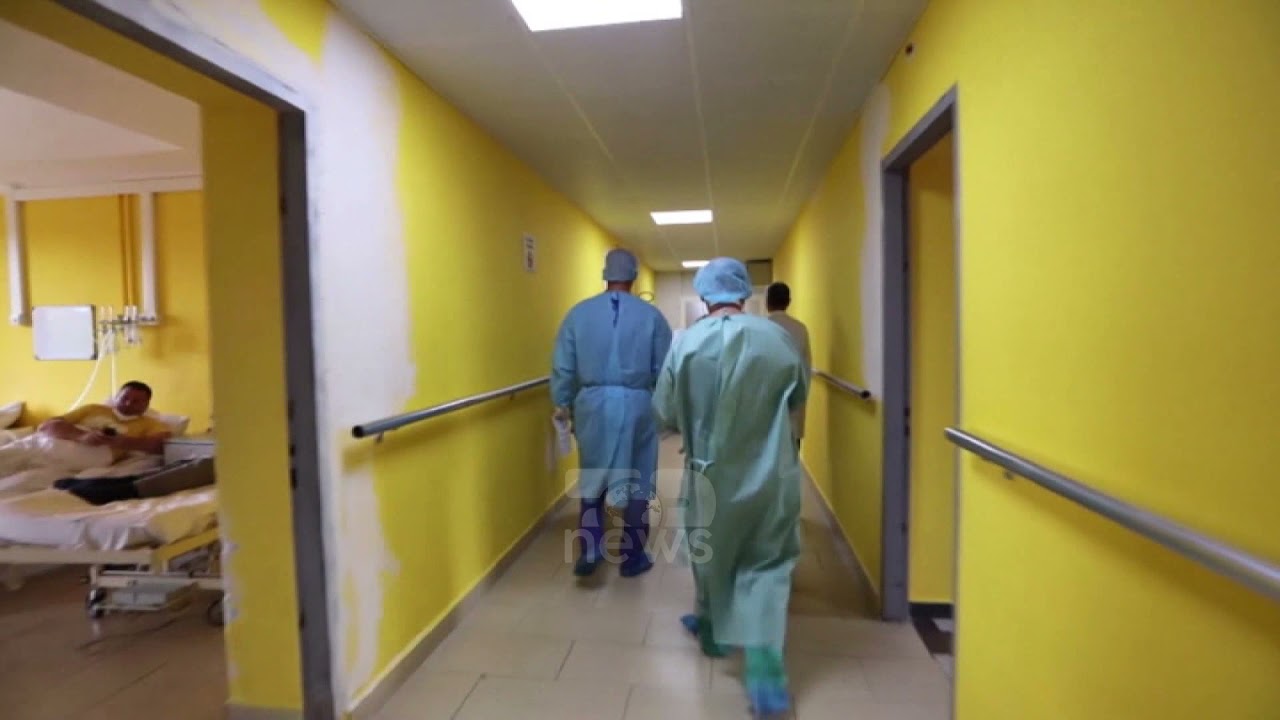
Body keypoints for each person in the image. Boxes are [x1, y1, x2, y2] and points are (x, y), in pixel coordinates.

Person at [654, 258, 808, 717]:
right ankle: (766, 681)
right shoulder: (777, 339)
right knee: (766, 563)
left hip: (709, 472)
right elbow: (798, 396)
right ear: (744, 293)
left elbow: (665, 411)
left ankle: (713, 634)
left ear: (705, 296)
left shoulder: (686, 344)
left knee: (710, 554)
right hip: (769, 471)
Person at [552, 249, 673, 578]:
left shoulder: (578, 315)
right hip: (638, 403)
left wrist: (562, 403)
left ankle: (591, 546)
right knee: (638, 479)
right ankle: (632, 556)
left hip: (591, 404)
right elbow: (665, 370)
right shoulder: (652, 317)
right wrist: (666, 412)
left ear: (605, 274)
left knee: (593, 473)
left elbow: (563, 367)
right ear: (633, 276)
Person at [0, 381, 171, 476]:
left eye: (136, 401)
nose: (128, 403)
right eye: (125, 397)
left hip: (90, 454)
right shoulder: (93, 409)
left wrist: (122, 442)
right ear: (117, 396)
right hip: (47, 442)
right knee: (7, 455)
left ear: (146, 404)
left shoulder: (151, 423)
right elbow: (47, 425)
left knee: (25, 474)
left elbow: (160, 445)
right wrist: (81, 436)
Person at [766, 282, 812, 450]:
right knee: (791, 452)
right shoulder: (800, 329)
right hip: (794, 402)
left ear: (767, 302)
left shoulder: (759, 328)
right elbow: (806, 369)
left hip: (765, 406)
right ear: (788, 302)